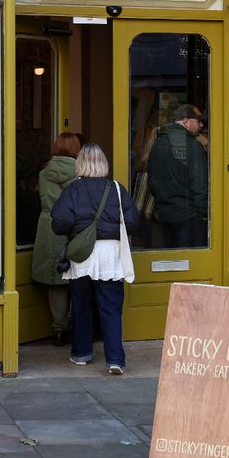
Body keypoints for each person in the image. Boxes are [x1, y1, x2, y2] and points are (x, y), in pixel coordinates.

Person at [51, 143, 140, 375]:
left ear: (80, 164)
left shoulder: (73, 190)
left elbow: (59, 223)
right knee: (110, 307)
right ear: (103, 164)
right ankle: (115, 359)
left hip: (83, 254)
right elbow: (133, 222)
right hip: (111, 254)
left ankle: (81, 354)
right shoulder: (117, 189)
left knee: (81, 305)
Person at [30, 132, 84, 347]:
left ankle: (59, 328)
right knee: (78, 277)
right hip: (73, 226)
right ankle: (78, 327)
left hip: (49, 226)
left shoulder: (44, 173)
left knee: (56, 282)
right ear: (76, 148)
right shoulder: (81, 173)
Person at [148, 103, 209, 248]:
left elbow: (152, 182)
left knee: (171, 264)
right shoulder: (193, 146)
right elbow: (199, 186)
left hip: (164, 216)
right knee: (191, 265)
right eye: (198, 121)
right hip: (188, 217)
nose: (201, 125)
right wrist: (204, 214)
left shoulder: (158, 143)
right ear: (186, 122)